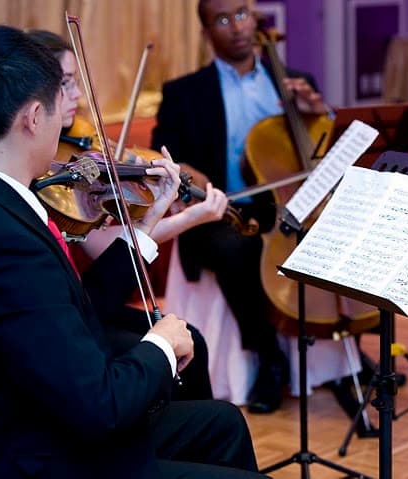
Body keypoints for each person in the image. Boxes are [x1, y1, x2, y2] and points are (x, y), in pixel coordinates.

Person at [0, 24, 265, 478]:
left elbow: (74, 303)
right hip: (42, 457)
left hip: (55, 422)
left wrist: (148, 222)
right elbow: (100, 403)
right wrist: (160, 346)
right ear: (34, 117)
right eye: (58, 101)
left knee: (221, 425)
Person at [151, 0, 332, 414]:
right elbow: (170, 161)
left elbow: (320, 155)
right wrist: (194, 182)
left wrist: (316, 115)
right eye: (222, 19)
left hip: (287, 206)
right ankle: (268, 355)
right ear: (206, 33)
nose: (236, 27)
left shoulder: (293, 83)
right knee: (235, 249)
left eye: (242, 14)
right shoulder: (184, 93)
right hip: (223, 209)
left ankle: (341, 346)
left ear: (256, 19)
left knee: (335, 235)